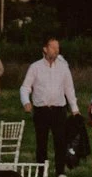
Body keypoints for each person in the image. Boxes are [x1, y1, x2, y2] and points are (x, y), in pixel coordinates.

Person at [20, 35, 78, 169]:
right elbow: (25, 87)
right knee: (41, 143)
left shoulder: (63, 67)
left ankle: (60, 172)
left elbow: (69, 88)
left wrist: (75, 109)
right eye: (53, 47)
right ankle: (41, 173)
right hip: (41, 110)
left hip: (59, 110)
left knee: (60, 141)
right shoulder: (35, 67)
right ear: (45, 49)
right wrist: (25, 102)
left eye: (58, 47)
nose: (56, 50)